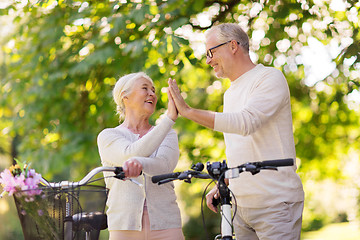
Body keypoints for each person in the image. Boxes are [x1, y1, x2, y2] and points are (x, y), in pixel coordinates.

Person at [168, 23, 304, 240]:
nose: (208, 61)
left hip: (274, 203)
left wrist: (187, 111)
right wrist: (226, 180)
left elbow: (246, 122)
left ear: (233, 46)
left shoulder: (269, 78)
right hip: (240, 206)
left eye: (211, 52)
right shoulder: (229, 94)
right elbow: (243, 146)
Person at [97, 72, 184, 240]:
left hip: (167, 226)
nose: (152, 94)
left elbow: (164, 166)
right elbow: (129, 153)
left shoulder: (167, 133)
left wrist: (139, 164)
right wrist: (169, 118)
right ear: (125, 97)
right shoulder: (108, 136)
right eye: (145, 88)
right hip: (124, 227)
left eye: (153, 90)